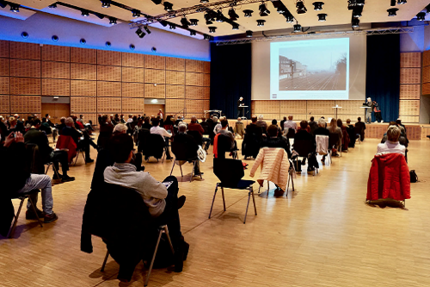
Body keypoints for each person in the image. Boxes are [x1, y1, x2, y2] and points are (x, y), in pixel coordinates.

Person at [103, 134, 188, 270]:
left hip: (121, 216)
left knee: (168, 201)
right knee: (172, 182)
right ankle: (178, 241)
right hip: (147, 217)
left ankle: (175, 209)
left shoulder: (106, 173)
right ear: (131, 153)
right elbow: (163, 193)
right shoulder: (142, 179)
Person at [0, 132, 58, 223]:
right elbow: (19, 163)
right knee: (46, 179)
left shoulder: (3, 151)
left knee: (34, 178)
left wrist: (5, 146)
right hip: (14, 186)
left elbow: (3, 156)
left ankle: (31, 209)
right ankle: (48, 213)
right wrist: (20, 144)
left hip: (3, 189)